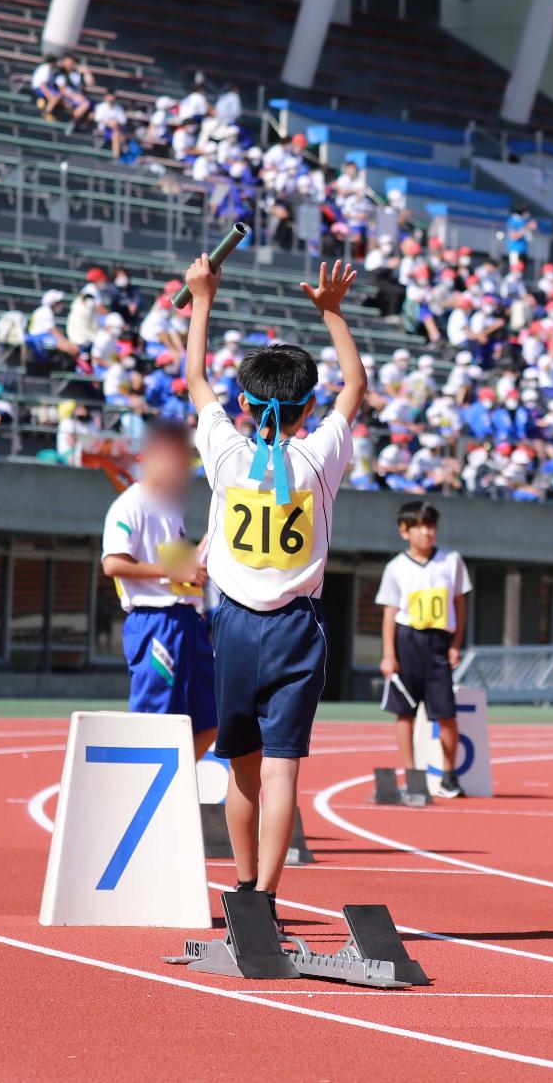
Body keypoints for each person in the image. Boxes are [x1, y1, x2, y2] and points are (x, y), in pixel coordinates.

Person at [184, 249, 365, 913]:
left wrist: (202, 296)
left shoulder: (227, 454)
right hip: (298, 628)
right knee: (284, 768)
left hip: (232, 624)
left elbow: (196, 378)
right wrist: (332, 314)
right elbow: (355, 388)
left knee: (241, 767)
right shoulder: (320, 456)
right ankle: (267, 895)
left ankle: (239, 888)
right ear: (307, 406)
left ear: (243, 403)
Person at [102, 420, 217, 761]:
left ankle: (171, 785)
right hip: (154, 622)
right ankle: (143, 795)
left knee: (210, 719)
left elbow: (179, 570)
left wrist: (198, 562)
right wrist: (175, 570)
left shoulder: (171, 508)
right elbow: (113, 564)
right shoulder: (130, 504)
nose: (183, 466)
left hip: (187, 620)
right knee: (156, 721)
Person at [375, 500, 472, 799]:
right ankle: (413, 775)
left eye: (430, 526)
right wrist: (389, 654)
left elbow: (459, 604)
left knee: (446, 713)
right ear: (404, 531)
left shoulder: (451, 561)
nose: (426, 532)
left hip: (439, 643)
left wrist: (456, 644)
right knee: (404, 713)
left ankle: (448, 775)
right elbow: (390, 612)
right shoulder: (396, 567)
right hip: (407, 641)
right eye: (418, 526)